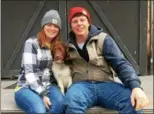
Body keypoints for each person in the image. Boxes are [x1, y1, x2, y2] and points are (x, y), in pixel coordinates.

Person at [64, 6, 149, 114]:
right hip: (81, 86)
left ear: (89, 22)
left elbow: (120, 64)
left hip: (106, 85)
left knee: (132, 101)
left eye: (82, 20)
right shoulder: (67, 46)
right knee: (71, 102)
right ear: (71, 26)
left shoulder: (103, 39)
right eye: (74, 21)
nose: (79, 24)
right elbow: (59, 67)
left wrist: (136, 87)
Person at [14, 9, 65, 113]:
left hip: (48, 85)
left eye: (56, 26)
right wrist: (42, 94)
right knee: (39, 110)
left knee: (60, 104)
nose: (52, 28)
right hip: (26, 87)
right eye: (49, 25)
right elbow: (29, 73)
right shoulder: (31, 43)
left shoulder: (56, 46)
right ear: (43, 26)